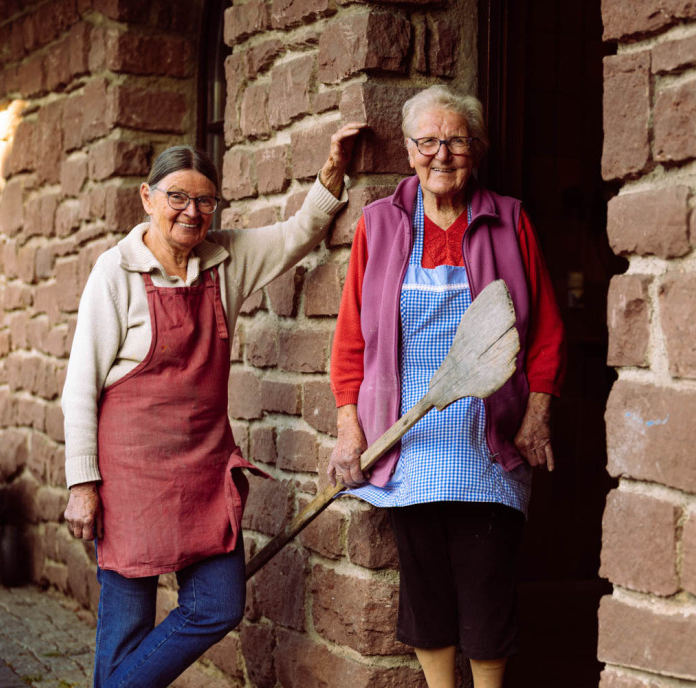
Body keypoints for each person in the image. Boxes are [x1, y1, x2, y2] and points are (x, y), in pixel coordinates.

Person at [61, 122, 365, 688]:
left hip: (201, 473)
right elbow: (81, 386)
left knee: (218, 607)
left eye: (205, 200)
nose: (191, 212)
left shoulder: (225, 259)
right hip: (128, 482)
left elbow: (297, 232)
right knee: (124, 630)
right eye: (177, 196)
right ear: (148, 198)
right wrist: (83, 484)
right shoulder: (115, 272)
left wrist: (332, 172)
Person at [327, 85, 564, 688]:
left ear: (476, 150)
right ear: (409, 151)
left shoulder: (508, 219)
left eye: (456, 140)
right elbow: (352, 338)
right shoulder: (380, 225)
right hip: (409, 440)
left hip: (489, 439)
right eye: (428, 141)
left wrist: (537, 415)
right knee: (425, 584)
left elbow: (544, 331)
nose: (442, 153)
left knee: (488, 583)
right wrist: (348, 426)